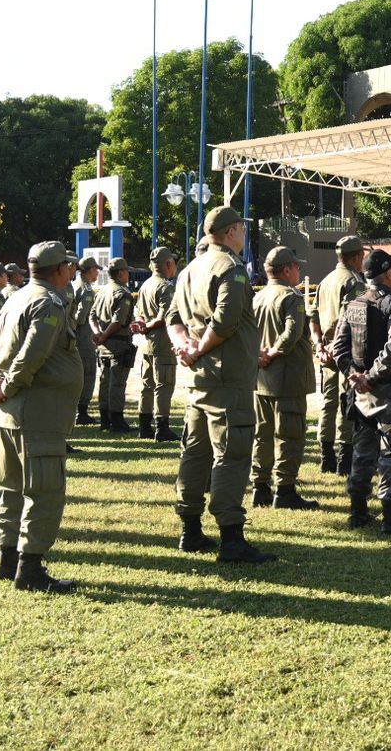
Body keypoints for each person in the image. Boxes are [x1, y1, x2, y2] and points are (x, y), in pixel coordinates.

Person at [165, 205, 275, 564]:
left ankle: (190, 530)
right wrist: (199, 348)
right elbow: (225, 321)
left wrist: (185, 345)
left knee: (195, 452)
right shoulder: (230, 268)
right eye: (242, 229)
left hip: (200, 379)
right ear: (231, 231)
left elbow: (173, 319)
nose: (244, 234)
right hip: (227, 378)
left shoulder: (189, 269)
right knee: (232, 453)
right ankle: (231, 537)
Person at [0, 240, 80, 593]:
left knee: (11, 487)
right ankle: (30, 568)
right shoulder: (47, 302)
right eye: (68, 266)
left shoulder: (15, 298)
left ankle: (8, 560)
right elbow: (31, 354)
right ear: (58, 270)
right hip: (37, 412)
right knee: (44, 490)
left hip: (11, 412)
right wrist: (6, 384)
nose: (71, 271)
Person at [332, 248, 391, 536]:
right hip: (388, 390)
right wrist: (371, 377)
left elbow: (339, 348)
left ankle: (358, 511)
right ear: (387, 273)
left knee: (363, 450)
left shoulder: (354, 303)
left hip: (361, 393)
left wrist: (355, 376)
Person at [250, 246, 318, 510]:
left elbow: (247, 332)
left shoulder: (258, 296)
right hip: (287, 378)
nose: (299, 271)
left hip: (262, 378)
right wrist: (274, 353)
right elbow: (291, 335)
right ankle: (285, 490)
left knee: (262, 435)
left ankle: (260, 486)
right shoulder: (291, 297)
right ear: (287, 269)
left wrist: (259, 356)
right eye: (297, 267)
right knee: (290, 435)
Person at [310, 235, 365, 475]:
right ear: (356, 257)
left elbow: (312, 315)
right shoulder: (354, 281)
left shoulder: (326, 280)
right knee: (347, 403)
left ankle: (326, 456)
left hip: (326, 353)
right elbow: (352, 319)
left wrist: (320, 345)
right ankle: (345, 458)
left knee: (328, 402)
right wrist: (336, 347)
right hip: (346, 352)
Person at [132, 246, 179, 441]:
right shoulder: (166, 287)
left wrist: (142, 323)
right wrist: (147, 326)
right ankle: (162, 427)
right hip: (162, 342)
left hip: (146, 344)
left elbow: (137, 311)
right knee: (164, 385)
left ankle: (144, 427)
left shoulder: (146, 285)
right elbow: (164, 317)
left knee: (147, 385)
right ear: (168, 264)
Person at [90, 257, 137, 432]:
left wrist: (98, 333)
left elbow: (92, 315)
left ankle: (104, 420)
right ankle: (116, 420)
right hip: (117, 343)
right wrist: (103, 335)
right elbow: (118, 321)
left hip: (104, 345)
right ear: (121, 273)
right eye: (127, 271)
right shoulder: (122, 294)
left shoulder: (101, 292)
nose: (129, 275)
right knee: (117, 383)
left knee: (104, 381)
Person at [70, 257, 100, 426]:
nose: (97, 272)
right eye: (96, 269)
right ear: (88, 270)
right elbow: (81, 318)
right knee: (88, 373)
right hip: (83, 339)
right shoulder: (86, 290)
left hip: (75, 338)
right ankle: (81, 411)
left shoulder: (74, 285)